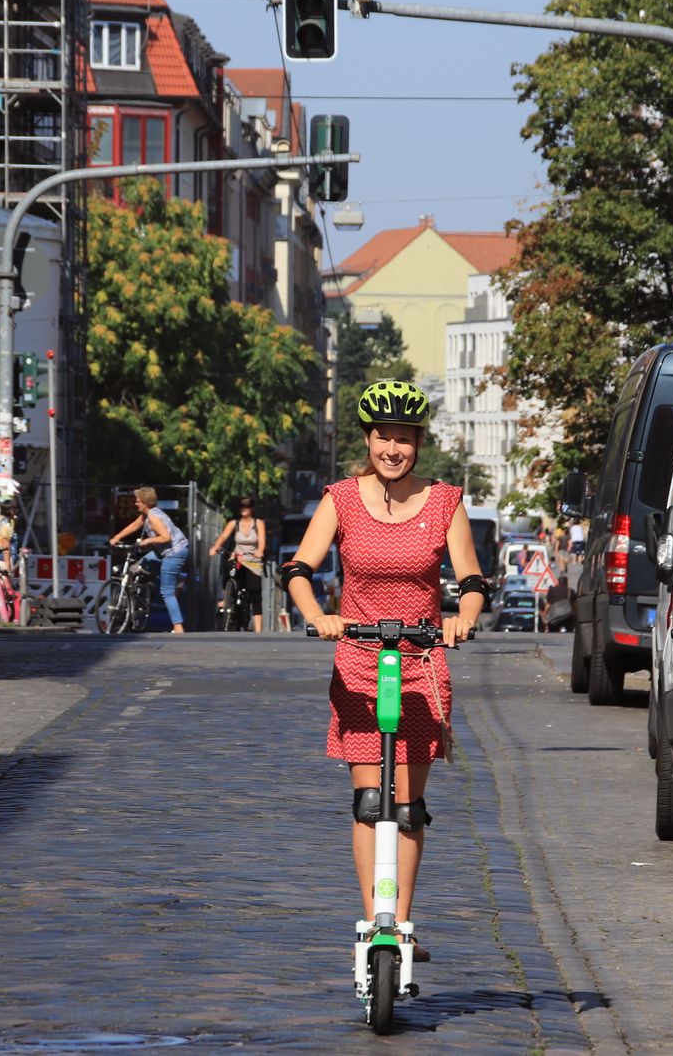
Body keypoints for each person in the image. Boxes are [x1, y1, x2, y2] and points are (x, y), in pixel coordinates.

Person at [283, 380, 488, 965]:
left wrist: (463, 617)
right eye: (383, 438)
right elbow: (298, 568)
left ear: (417, 443)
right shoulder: (341, 499)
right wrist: (317, 615)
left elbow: (472, 579)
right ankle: (374, 917)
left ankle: (399, 923)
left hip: (420, 659)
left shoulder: (445, 502)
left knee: (407, 805)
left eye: (403, 439)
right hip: (358, 656)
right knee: (370, 800)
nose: (393, 449)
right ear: (368, 440)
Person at [109, 486, 189, 633]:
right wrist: (116, 538)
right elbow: (134, 525)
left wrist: (148, 541)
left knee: (167, 592)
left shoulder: (153, 517)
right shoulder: (146, 515)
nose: (135, 503)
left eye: (138, 501)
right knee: (139, 566)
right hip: (163, 552)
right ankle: (152, 588)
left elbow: (166, 537)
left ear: (145, 502)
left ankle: (178, 627)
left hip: (174, 552)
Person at [209, 494, 269, 631]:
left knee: (255, 593)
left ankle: (258, 629)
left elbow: (262, 540)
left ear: (252, 508)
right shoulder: (234, 524)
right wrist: (215, 547)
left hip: (253, 560)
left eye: (247, 506)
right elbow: (223, 536)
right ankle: (227, 597)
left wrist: (260, 551)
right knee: (228, 568)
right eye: (242, 506)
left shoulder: (258, 523)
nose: (244, 509)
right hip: (238, 558)